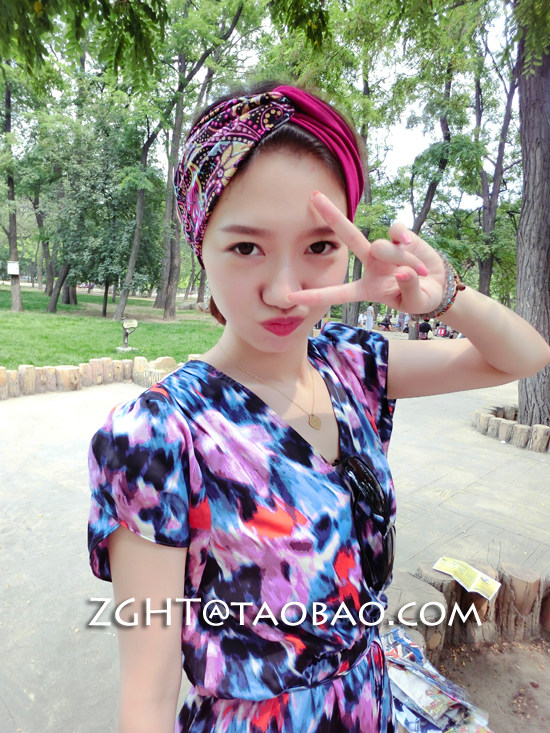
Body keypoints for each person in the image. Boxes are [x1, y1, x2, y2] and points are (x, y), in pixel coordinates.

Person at [87, 82, 550, 733]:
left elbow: (523, 356)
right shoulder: (158, 435)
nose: (285, 291)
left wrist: (445, 296)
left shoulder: (350, 364)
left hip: (370, 703)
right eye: (246, 247)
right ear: (201, 245)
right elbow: (148, 696)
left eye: (319, 247)